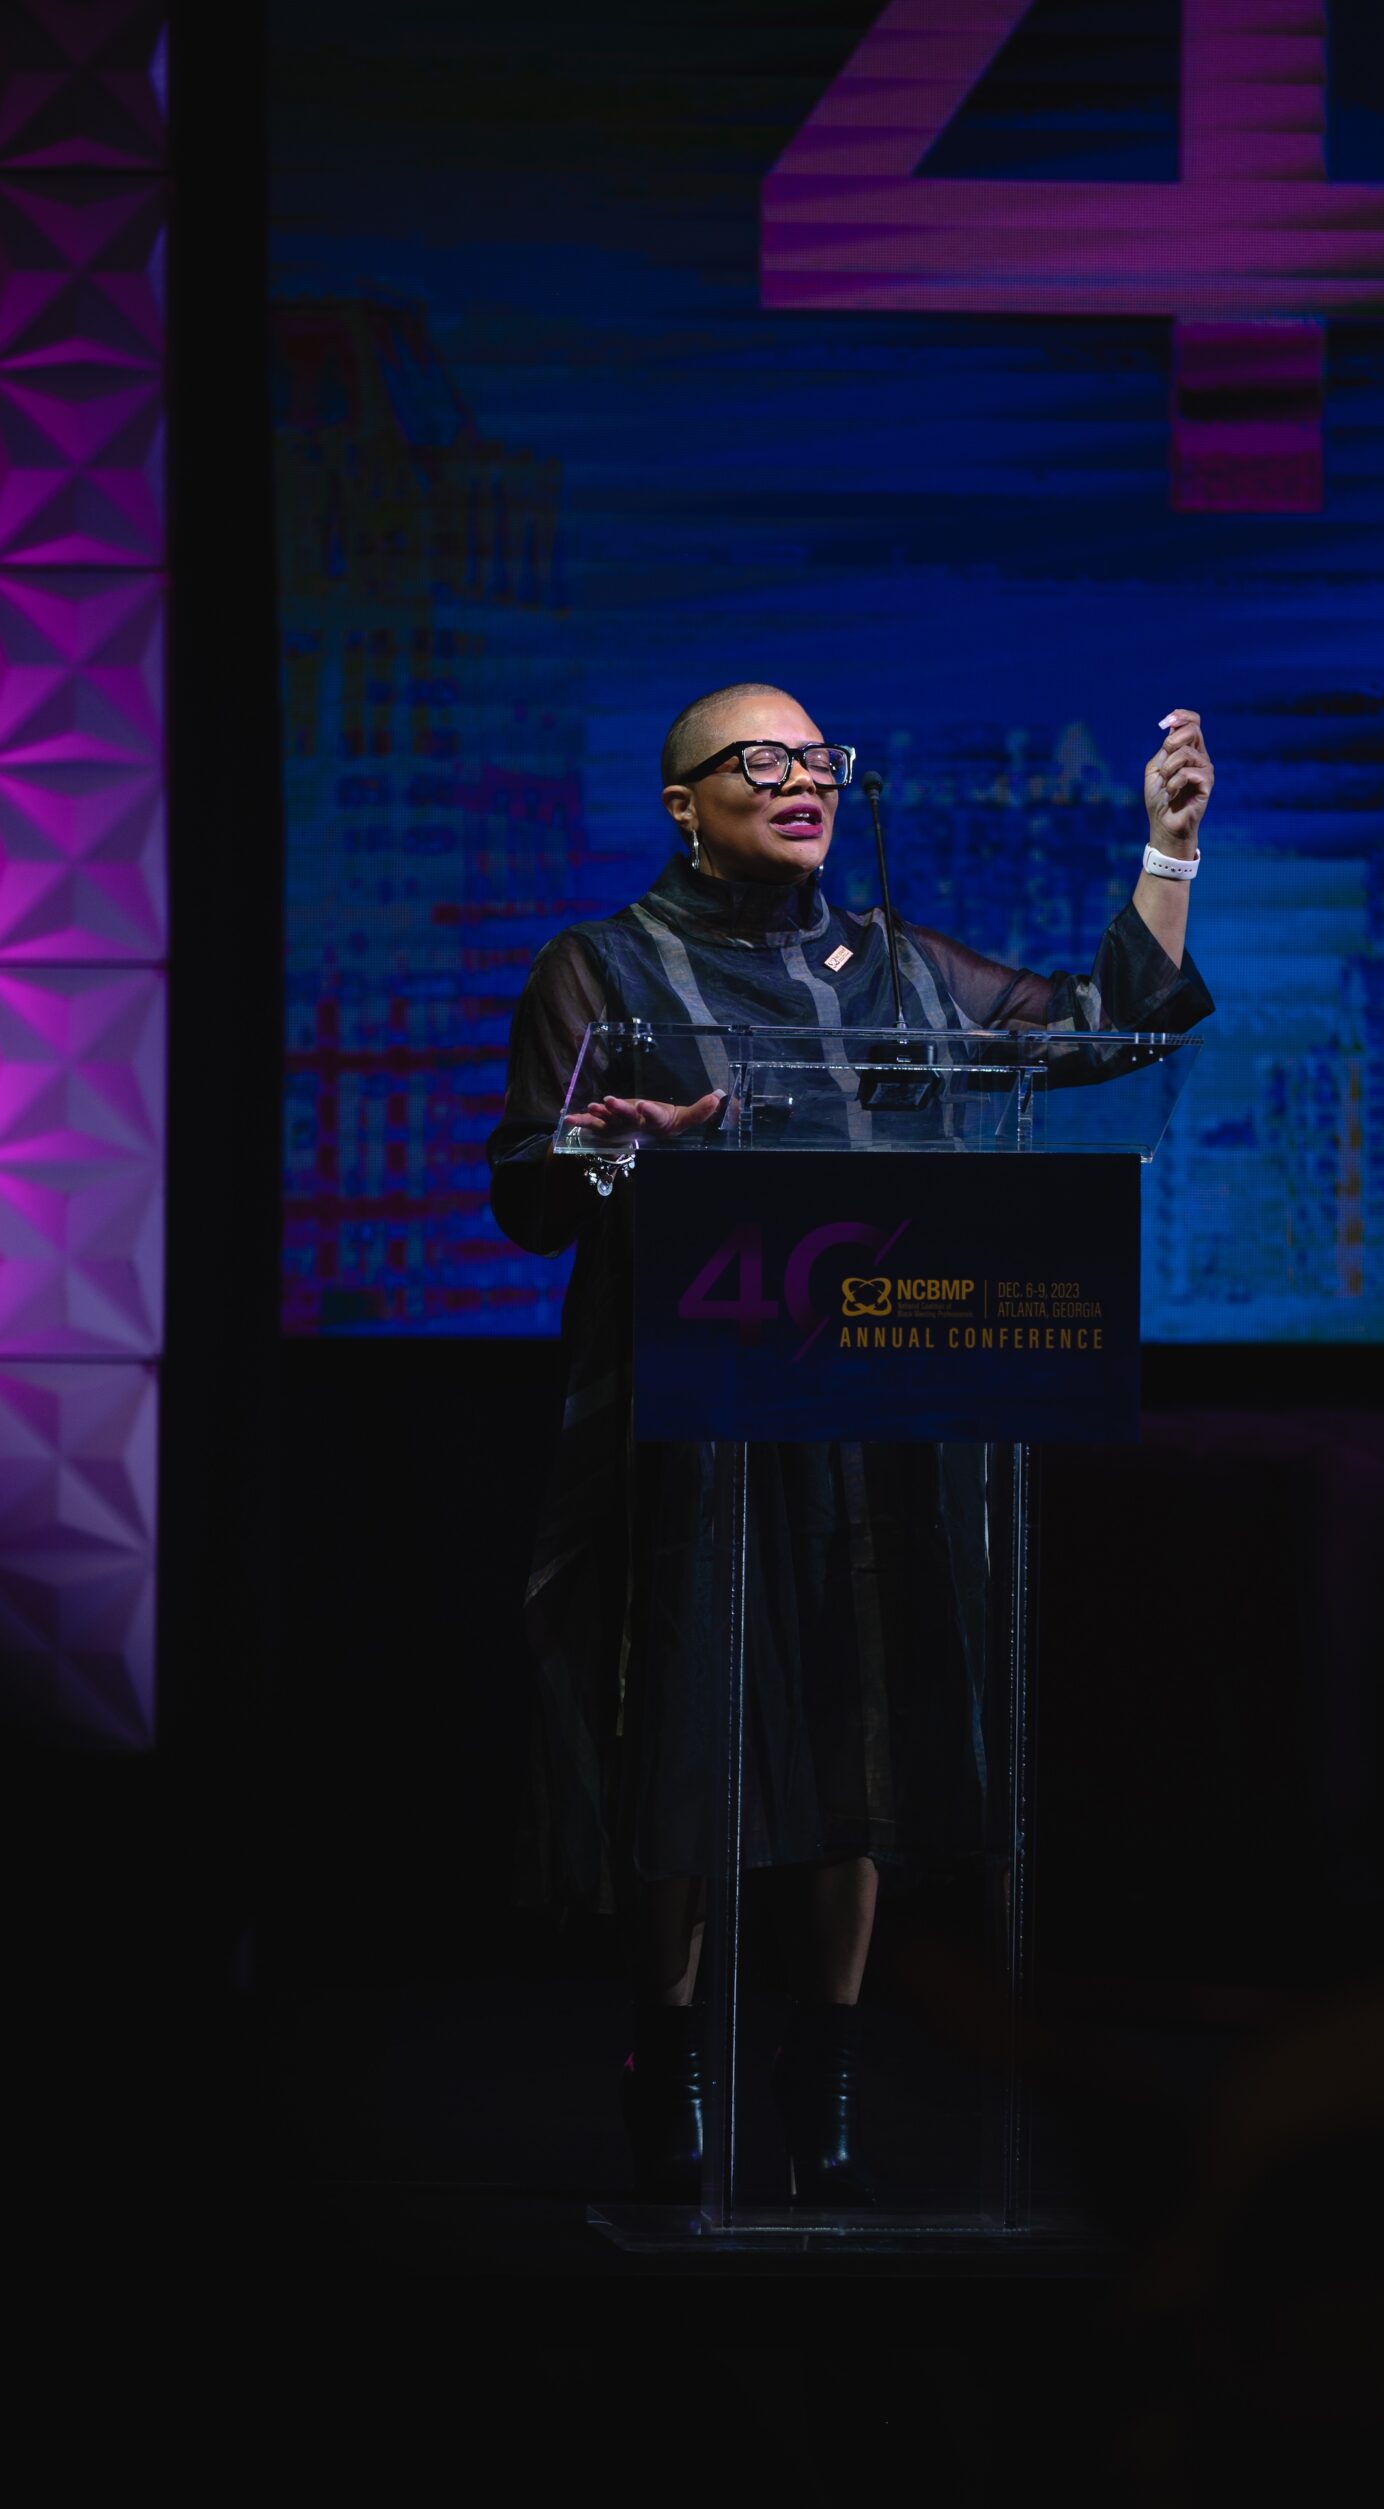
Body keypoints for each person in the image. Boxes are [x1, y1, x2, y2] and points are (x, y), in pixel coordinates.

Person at [486, 683, 1215, 2204]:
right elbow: (530, 1191)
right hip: (697, 1429)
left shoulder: (901, 968)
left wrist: (1169, 852)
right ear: (683, 803)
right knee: (692, 1728)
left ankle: (824, 2063)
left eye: (818, 758)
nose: (801, 778)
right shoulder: (603, 968)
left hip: (879, 1420)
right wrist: (621, 1154)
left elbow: (1108, 1027)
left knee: (861, 1729)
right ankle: (672, 2050)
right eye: (761, 760)